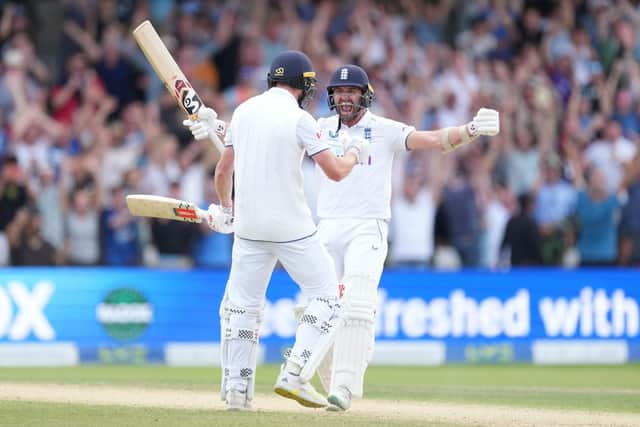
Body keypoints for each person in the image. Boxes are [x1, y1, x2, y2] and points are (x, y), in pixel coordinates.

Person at [183, 51, 369, 411]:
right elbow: (335, 171)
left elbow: (223, 172)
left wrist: (226, 210)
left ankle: (237, 392)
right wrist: (355, 154)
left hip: (250, 228)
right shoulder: (301, 119)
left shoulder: (244, 111)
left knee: (241, 308)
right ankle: (295, 371)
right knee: (329, 297)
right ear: (303, 86)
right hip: (292, 227)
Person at [313, 64, 500, 411]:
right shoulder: (319, 128)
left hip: (367, 227)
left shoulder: (383, 129)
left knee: (357, 303)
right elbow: (274, 138)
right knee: (315, 310)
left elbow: (433, 140)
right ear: (331, 97)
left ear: (364, 94)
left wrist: (470, 129)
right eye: (339, 92)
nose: (345, 97)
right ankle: (328, 384)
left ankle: (344, 386)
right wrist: (219, 128)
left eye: (351, 91)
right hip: (327, 226)